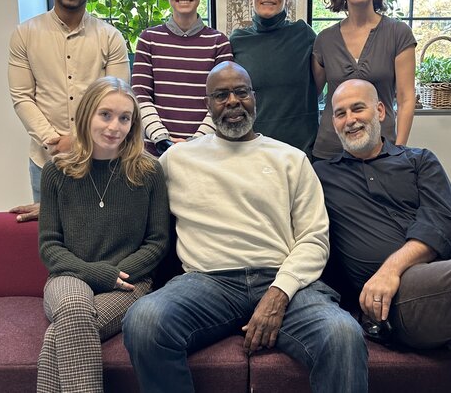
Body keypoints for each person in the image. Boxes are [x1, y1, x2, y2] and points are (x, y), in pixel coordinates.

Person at [123, 61, 368, 393]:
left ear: (254, 98)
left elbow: (314, 238)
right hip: (207, 283)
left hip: (284, 280)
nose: (233, 101)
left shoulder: (291, 159)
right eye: (221, 95)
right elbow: (127, 195)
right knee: (144, 321)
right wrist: (60, 202)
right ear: (208, 105)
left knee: (343, 334)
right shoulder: (177, 160)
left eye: (241, 92)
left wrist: (279, 292)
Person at [313, 79, 451, 375]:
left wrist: (390, 269)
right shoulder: (321, 175)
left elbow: (441, 222)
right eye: (340, 113)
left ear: (380, 110)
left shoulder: (420, 161)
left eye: (358, 108)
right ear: (333, 122)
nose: (350, 120)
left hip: (447, 291)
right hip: (391, 305)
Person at [37, 76, 170, 392]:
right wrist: (93, 273)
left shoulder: (149, 171)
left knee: (61, 332)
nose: (115, 126)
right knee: (73, 308)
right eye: (105, 114)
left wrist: (115, 275)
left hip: (129, 283)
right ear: (86, 116)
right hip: (68, 276)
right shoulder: (56, 172)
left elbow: (157, 242)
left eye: (125, 118)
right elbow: (49, 244)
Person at [8, 0, 129, 220]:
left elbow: (118, 98)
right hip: (45, 160)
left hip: (99, 159)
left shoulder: (110, 37)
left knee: (98, 230)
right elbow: (22, 96)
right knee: (52, 238)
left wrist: (78, 140)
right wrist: (54, 143)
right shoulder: (25, 34)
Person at [312, 0, 416, 160]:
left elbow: (406, 98)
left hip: (381, 150)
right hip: (331, 152)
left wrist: (399, 150)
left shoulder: (398, 34)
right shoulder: (324, 40)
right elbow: (311, 95)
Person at [131, 0, 233, 157]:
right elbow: (140, 96)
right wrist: (163, 141)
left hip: (205, 152)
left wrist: (194, 143)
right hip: (154, 153)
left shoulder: (219, 42)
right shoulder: (148, 39)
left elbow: (222, 100)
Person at [230, 0, 319, 158]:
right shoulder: (237, 41)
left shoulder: (304, 35)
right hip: (252, 153)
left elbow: (319, 87)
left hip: (300, 154)